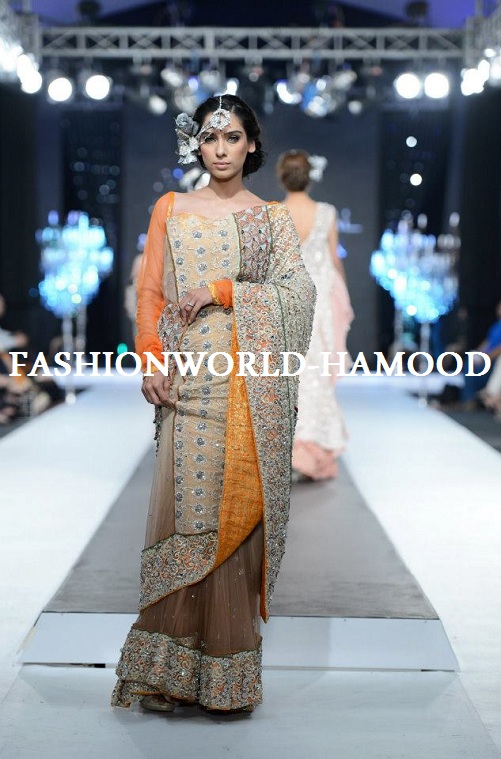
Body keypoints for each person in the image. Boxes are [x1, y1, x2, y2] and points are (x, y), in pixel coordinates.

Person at [111, 95, 315, 714]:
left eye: (231, 138)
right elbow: (150, 291)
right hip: (187, 380)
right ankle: (167, 673)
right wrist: (150, 359)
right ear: (194, 143)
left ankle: (225, 679)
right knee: (184, 519)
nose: (220, 149)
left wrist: (223, 290)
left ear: (251, 144)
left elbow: (297, 294)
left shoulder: (271, 219)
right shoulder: (170, 208)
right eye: (209, 137)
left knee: (234, 519)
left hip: (248, 388)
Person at [277, 150, 353, 480]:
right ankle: (311, 450)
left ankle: (290, 449)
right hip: (319, 303)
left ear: (282, 178)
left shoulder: (274, 213)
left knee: (288, 372)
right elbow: (334, 260)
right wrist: (343, 296)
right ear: (310, 177)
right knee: (316, 371)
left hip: (287, 301)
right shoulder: (326, 213)